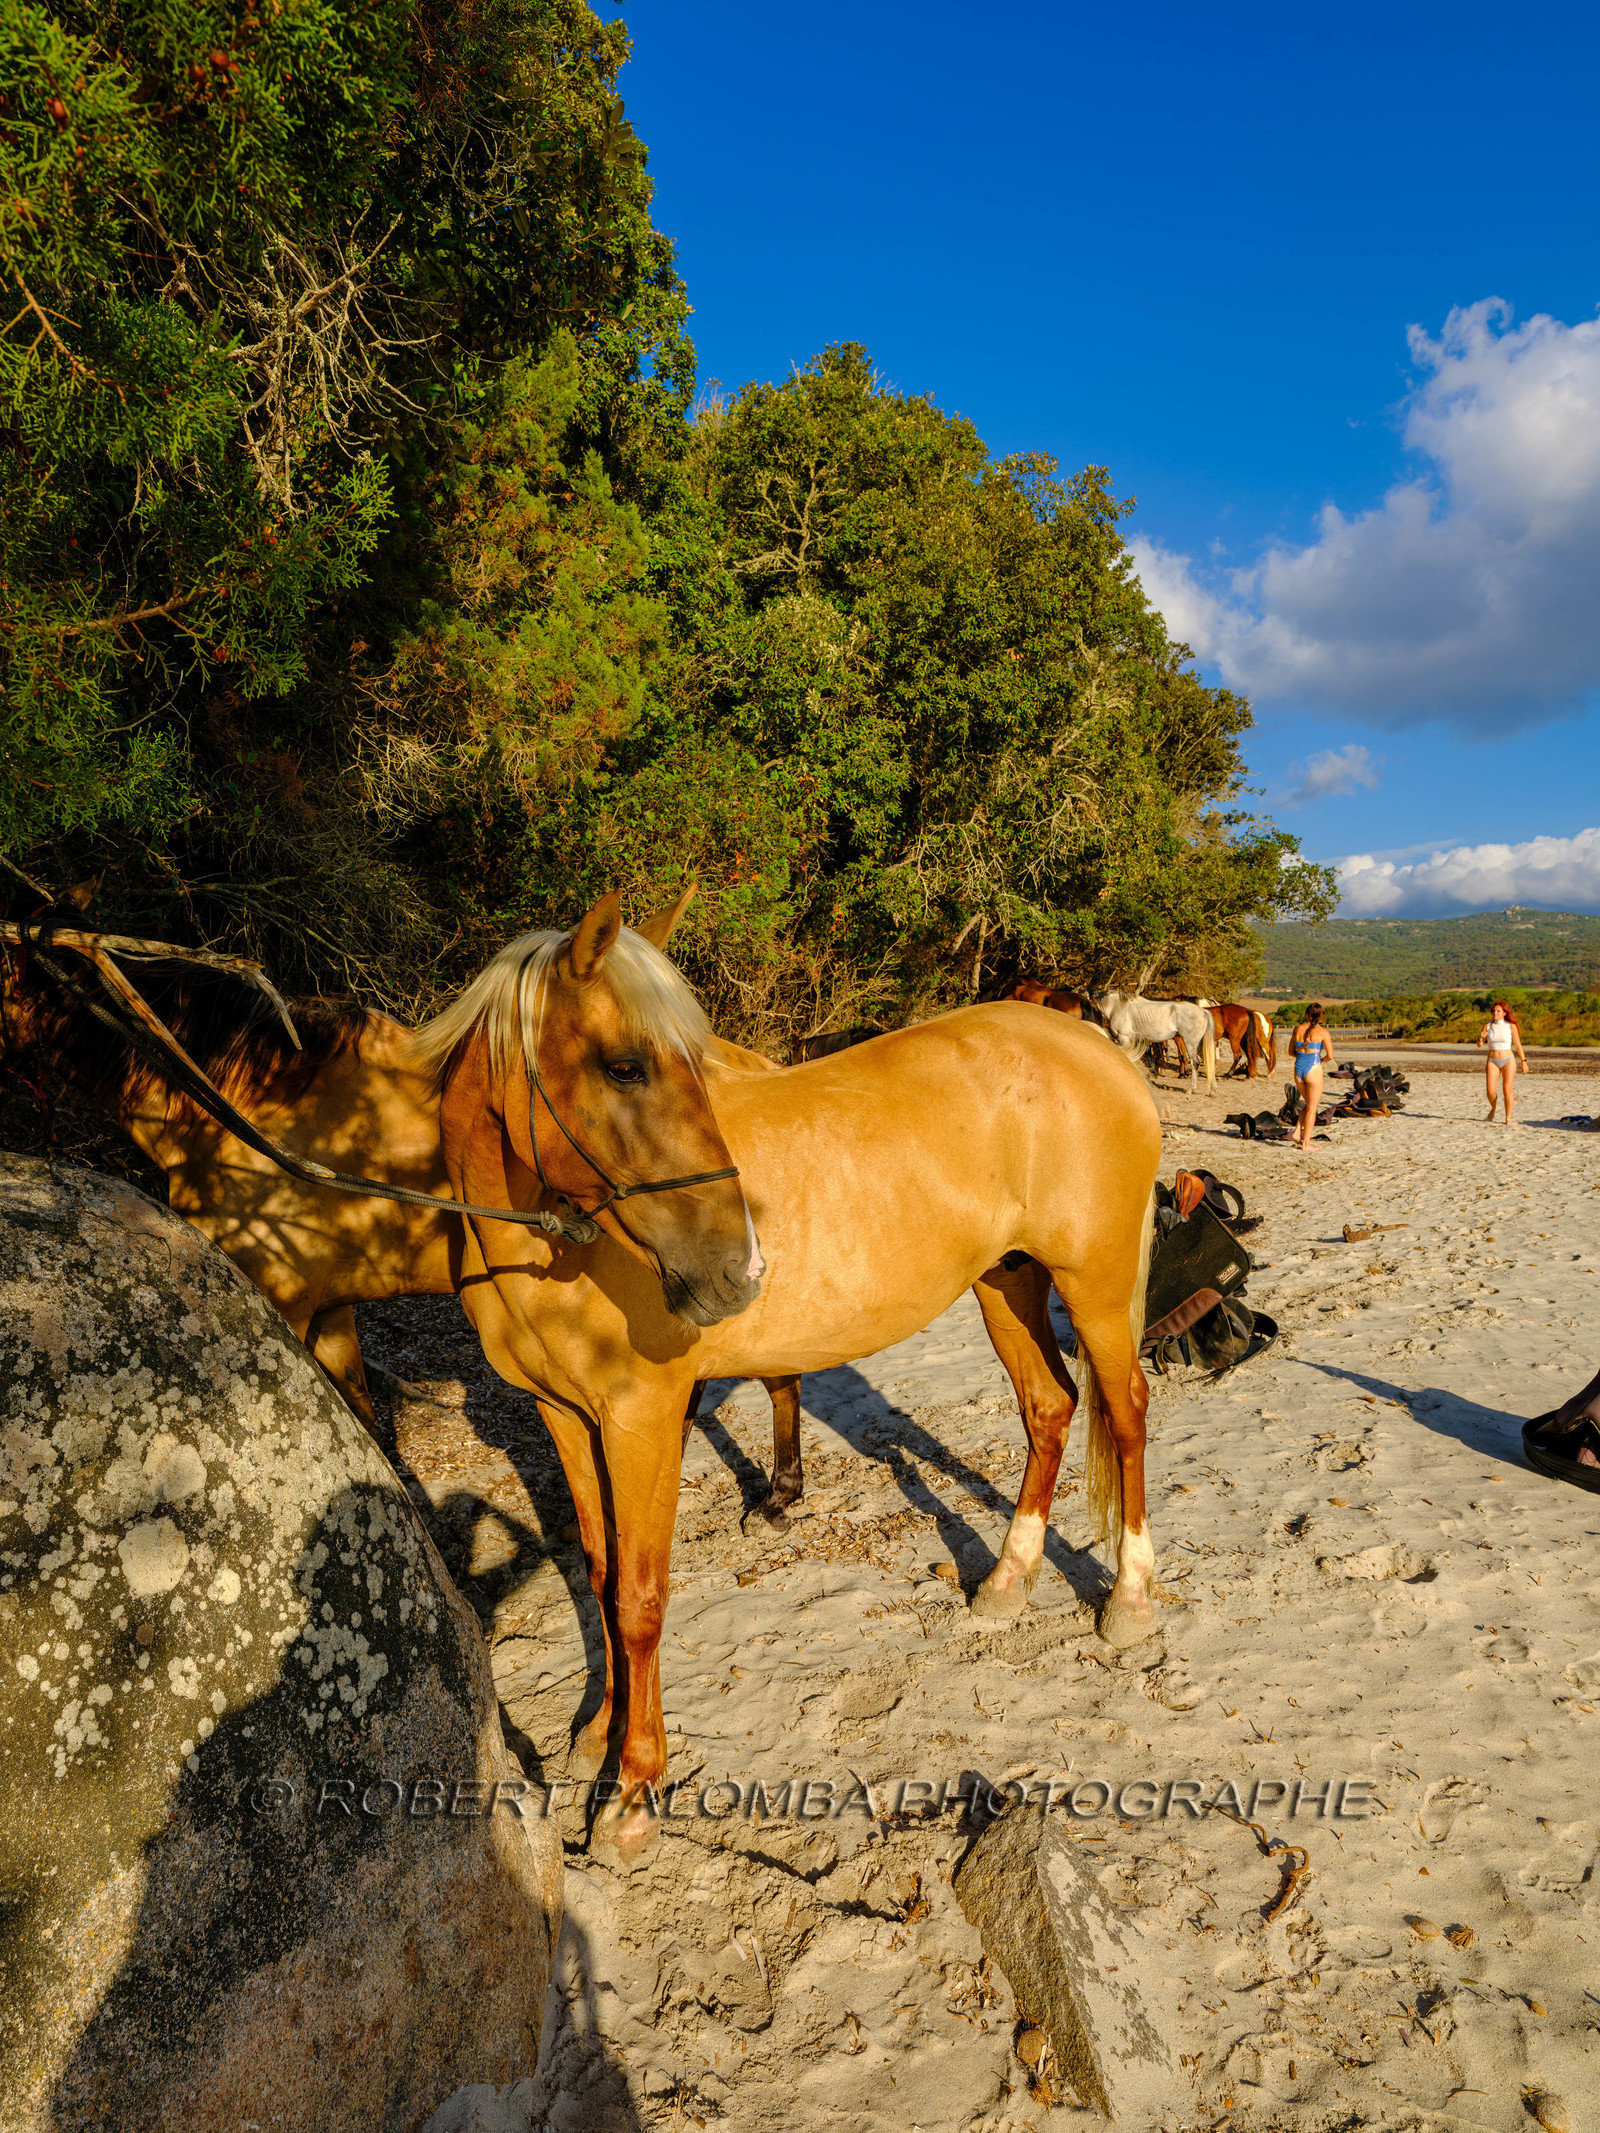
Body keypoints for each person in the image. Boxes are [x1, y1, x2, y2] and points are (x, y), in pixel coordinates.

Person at [1289, 1002, 1334, 1151]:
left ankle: (1297, 1133)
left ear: (1307, 1015)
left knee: (1308, 1104)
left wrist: (1302, 1055)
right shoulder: (1323, 1032)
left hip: (1298, 1068)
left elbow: (1291, 1051)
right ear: (1321, 1017)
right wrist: (1321, 1059)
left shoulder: (1297, 1029)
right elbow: (1330, 1055)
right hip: (1313, 1068)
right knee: (1312, 1108)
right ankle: (1306, 1143)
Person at [1478, 1000, 1528, 1124]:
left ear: (1505, 1013)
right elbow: (1479, 1045)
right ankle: (1494, 1108)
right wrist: (1481, 1038)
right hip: (1492, 1060)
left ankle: (1508, 1118)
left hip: (1508, 1060)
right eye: (1494, 1011)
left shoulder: (1510, 1026)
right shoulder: (1487, 1026)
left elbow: (1517, 1045)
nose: (1495, 1013)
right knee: (1490, 1091)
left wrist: (1523, 1061)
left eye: (1498, 1011)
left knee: (1507, 1090)